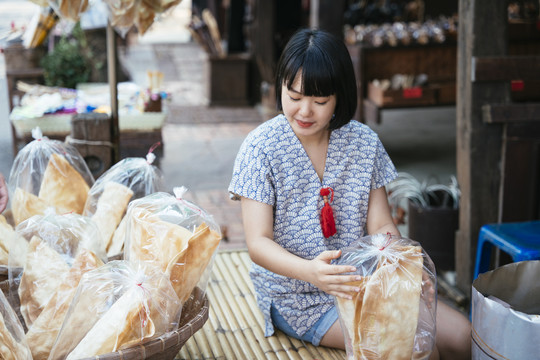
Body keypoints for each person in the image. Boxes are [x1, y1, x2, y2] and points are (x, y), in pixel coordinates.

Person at [228, 28, 471, 359]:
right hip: (298, 296)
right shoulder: (260, 148)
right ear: (280, 87)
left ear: (340, 96)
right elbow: (258, 243)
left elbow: (382, 225)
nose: (304, 112)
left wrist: (404, 270)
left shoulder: (363, 142)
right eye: (294, 96)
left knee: (465, 337)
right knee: (420, 350)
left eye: (320, 101)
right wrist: (311, 272)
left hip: (367, 281)